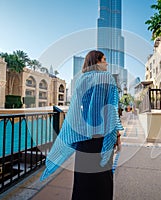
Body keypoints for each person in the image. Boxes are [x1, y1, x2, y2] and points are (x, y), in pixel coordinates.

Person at [40, 50, 123, 200]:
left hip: (83, 139)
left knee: (83, 180)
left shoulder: (81, 80)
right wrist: (116, 134)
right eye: (104, 60)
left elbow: (75, 112)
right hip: (101, 137)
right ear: (96, 61)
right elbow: (111, 111)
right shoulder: (107, 78)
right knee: (102, 181)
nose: (107, 63)